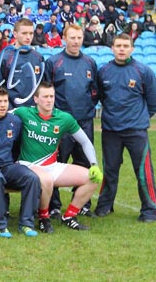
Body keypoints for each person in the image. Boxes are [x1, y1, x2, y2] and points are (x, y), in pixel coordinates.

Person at [13, 83, 102, 233]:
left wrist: (94, 164)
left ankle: (69, 216)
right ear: (36, 99)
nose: (49, 100)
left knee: (93, 178)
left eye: (51, 96)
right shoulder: (23, 112)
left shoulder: (64, 118)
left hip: (52, 166)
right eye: (45, 97)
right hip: (27, 165)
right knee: (46, 180)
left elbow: (85, 141)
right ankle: (43, 218)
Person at [95, 34, 156, 222]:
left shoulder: (143, 71)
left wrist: (139, 118)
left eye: (126, 45)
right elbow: (101, 97)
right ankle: (105, 206)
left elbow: (155, 102)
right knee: (110, 171)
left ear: (132, 48)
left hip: (136, 132)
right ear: (112, 48)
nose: (122, 49)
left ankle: (150, 211)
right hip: (110, 131)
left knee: (143, 172)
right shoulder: (104, 71)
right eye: (118, 45)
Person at [44, 24, 100, 216]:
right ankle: (53, 206)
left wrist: (86, 109)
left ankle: (82, 204)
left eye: (79, 38)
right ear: (64, 39)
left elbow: (95, 92)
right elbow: (46, 92)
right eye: (72, 37)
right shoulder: (54, 62)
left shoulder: (90, 62)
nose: (76, 41)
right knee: (56, 165)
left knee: (84, 163)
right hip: (60, 124)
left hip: (84, 122)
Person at [0, 87, 42, 237]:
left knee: (31, 178)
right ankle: (0, 225)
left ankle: (26, 223)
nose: (3, 105)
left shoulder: (15, 121)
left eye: (5, 101)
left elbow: (17, 146)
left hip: (7, 164)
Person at [0, 18, 45, 108]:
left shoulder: (39, 57)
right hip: (12, 111)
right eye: (24, 33)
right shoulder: (5, 58)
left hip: (34, 112)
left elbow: (43, 86)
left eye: (31, 33)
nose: (28, 37)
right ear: (15, 34)